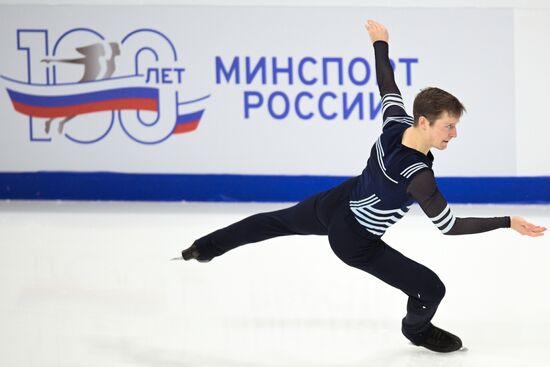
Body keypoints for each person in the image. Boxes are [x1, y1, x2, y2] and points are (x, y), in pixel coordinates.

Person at [180, 20, 546, 353]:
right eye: (448, 126)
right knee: (432, 289)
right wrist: (506, 221)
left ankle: (204, 248)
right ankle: (416, 330)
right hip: (355, 240)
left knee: (272, 222)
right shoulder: (418, 175)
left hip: (337, 201)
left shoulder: (396, 122)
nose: (454, 134)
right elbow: (449, 227)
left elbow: (387, 83)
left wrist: (380, 43)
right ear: (424, 122)